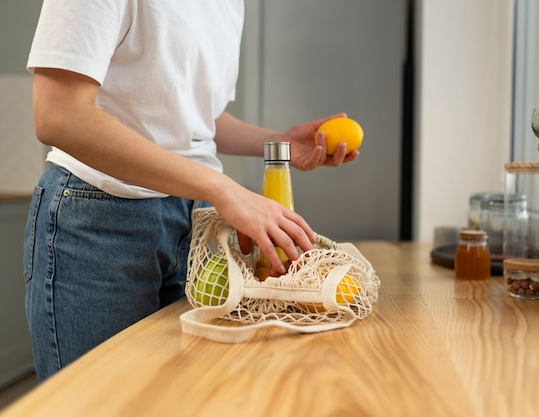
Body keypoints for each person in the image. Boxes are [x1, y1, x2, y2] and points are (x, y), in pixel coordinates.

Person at [23, 0, 359, 382]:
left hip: (193, 225)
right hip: (100, 223)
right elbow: (58, 115)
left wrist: (277, 141)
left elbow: (191, 115)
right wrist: (224, 189)